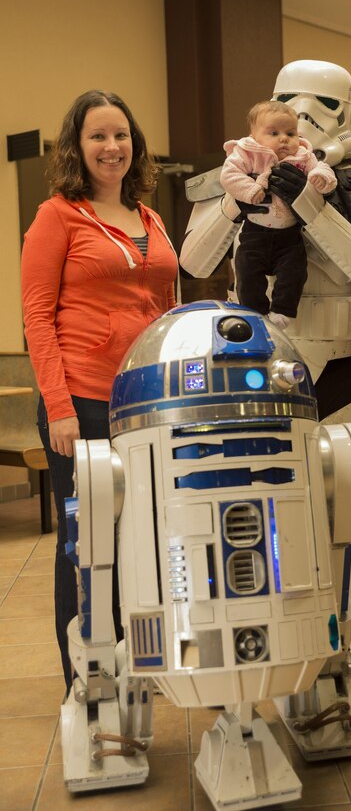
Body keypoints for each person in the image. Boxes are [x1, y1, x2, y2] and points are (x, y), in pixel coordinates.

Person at [181, 60, 351, 700]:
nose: (300, 121)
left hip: (349, 366)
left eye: (321, 107)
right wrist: (239, 196)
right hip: (265, 366)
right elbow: (193, 260)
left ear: (350, 116)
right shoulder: (237, 174)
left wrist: (313, 203)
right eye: (288, 106)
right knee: (266, 506)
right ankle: (283, 633)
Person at [21, 90, 178, 689]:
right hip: (81, 401)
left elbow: (166, 307)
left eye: (121, 135)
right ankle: (85, 678)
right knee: (85, 541)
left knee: (143, 531)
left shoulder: (151, 217)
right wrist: (58, 409)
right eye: (98, 136)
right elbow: (37, 316)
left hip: (143, 402)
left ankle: (136, 664)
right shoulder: (57, 215)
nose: (112, 147)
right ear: (77, 147)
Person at [220, 100, 336, 328]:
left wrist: (321, 180)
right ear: (254, 136)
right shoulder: (247, 153)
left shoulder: (303, 156)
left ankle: (283, 310)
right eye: (274, 132)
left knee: (295, 272)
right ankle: (256, 313)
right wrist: (251, 190)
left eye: (290, 133)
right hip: (255, 233)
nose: (284, 138)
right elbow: (229, 175)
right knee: (246, 272)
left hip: (289, 235)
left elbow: (321, 168)